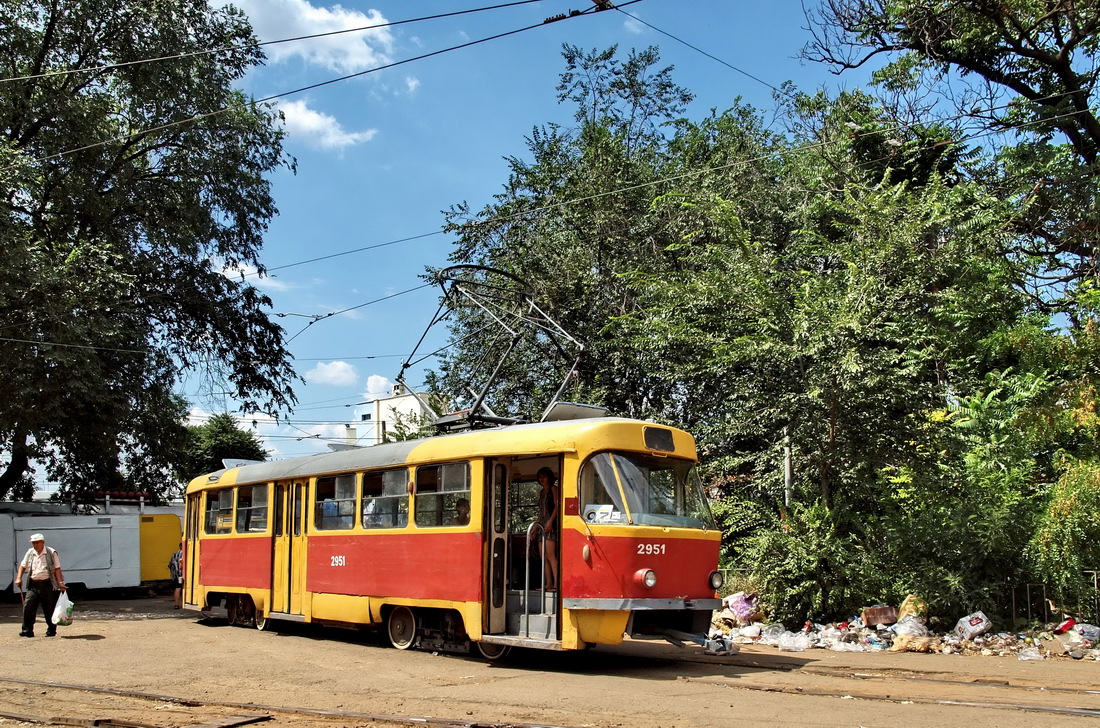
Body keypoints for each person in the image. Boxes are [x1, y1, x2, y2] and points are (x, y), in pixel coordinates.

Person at [15, 533, 66, 637]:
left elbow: (57, 568)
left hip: (47, 584)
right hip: (33, 584)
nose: (35, 545)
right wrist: (19, 578)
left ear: (43, 542)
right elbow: (23, 566)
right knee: (28, 607)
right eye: (33, 543)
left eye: (37, 542)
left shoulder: (51, 552)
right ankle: (27, 630)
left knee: (49, 609)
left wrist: (60, 583)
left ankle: (51, 630)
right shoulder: (30, 552)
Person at [535, 467, 559, 590]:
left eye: (544, 476)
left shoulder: (553, 489)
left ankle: (556, 584)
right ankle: (548, 583)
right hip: (541, 525)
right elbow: (540, 512)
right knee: (543, 556)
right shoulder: (541, 492)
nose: (542, 479)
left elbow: (556, 506)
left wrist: (550, 521)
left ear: (549, 477)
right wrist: (535, 527)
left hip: (550, 524)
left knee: (551, 555)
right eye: (540, 477)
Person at [168, 541, 184, 608]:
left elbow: (169, 565)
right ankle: (183, 604)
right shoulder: (185, 554)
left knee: (177, 588)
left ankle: (176, 604)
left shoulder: (174, 554)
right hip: (182, 574)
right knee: (182, 588)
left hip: (175, 575)